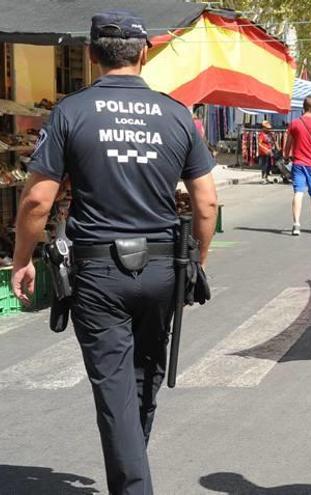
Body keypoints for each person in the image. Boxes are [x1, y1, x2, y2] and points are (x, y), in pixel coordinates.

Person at [10, 10, 218, 494]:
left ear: (90, 55)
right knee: (146, 375)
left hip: (98, 270)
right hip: (164, 263)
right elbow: (206, 201)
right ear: (144, 53)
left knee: (115, 390)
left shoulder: (71, 111)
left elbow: (38, 199)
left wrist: (22, 259)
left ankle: (133, 485)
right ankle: (134, 469)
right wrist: (197, 264)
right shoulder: (176, 113)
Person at [284, 95, 311, 236]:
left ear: (303, 107)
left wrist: (286, 156)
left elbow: (288, 144)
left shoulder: (295, 124)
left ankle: (296, 224)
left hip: (298, 163)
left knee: (298, 192)